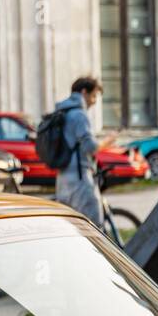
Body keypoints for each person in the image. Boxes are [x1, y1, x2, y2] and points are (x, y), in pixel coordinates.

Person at [54, 77, 105, 228]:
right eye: (94, 95)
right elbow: (90, 147)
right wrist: (106, 142)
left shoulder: (62, 112)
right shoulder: (79, 115)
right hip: (80, 178)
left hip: (62, 179)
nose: (94, 101)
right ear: (84, 92)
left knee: (69, 227)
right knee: (93, 228)